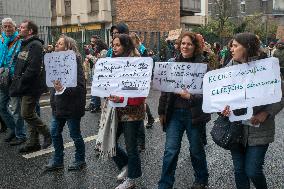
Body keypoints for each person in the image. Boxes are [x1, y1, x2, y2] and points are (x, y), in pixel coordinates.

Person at [221, 32, 284, 189]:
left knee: (253, 171)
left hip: (259, 129)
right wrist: (223, 109)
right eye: (231, 46)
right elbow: (221, 94)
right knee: (239, 171)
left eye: (235, 46)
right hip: (236, 129)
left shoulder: (268, 66)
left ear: (247, 47)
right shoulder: (229, 67)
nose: (231, 49)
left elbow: (281, 94)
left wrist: (266, 113)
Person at [158, 32, 210, 189]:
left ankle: (201, 179)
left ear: (195, 47)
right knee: (170, 151)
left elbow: (209, 94)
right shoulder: (171, 64)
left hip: (194, 114)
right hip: (174, 114)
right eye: (183, 43)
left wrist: (190, 97)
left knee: (196, 149)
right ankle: (165, 184)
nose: (185, 46)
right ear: (179, 45)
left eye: (189, 44)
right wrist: (161, 112)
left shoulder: (204, 66)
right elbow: (164, 91)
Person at [44, 35, 86, 171]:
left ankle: (80, 160)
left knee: (75, 134)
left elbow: (80, 87)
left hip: (72, 106)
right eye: (56, 43)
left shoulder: (75, 63)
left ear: (68, 47)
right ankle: (58, 160)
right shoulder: (54, 62)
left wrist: (63, 89)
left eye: (60, 44)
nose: (56, 45)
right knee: (54, 132)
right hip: (58, 106)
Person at [108, 34, 145, 189]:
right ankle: (126, 165)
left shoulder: (137, 63)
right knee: (108, 143)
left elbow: (140, 95)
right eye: (113, 45)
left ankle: (131, 179)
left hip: (132, 112)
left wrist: (122, 99)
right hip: (115, 111)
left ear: (126, 45)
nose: (114, 48)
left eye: (117, 45)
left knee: (131, 147)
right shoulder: (113, 62)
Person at [10, 20, 51, 153]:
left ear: (30, 31)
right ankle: (33, 143)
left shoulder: (35, 45)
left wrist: (21, 80)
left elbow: (33, 68)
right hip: (23, 85)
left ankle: (47, 133)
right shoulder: (25, 44)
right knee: (29, 114)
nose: (19, 29)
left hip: (31, 86)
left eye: (22, 27)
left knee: (26, 113)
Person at [0, 18, 26, 145]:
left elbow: (22, 62)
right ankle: (13, 129)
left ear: (14, 27)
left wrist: (7, 70)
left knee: (16, 109)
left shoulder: (20, 41)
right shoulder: (1, 40)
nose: (7, 28)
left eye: (9, 26)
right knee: (1, 107)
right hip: (2, 79)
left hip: (13, 79)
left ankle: (21, 135)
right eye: (5, 26)